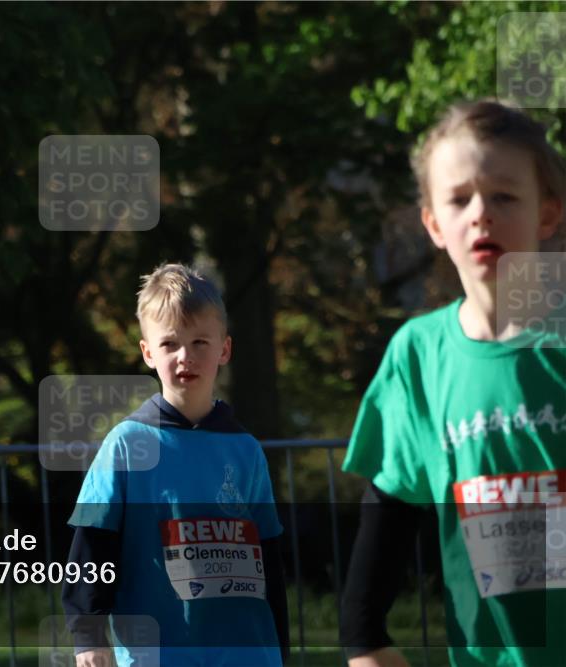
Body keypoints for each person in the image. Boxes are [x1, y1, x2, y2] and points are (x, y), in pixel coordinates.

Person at [339, 100, 566, 667]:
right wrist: (362, 642)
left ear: (548, 213)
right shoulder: (418, 357)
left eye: (505, 195)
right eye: (460, 199)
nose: (481, 213)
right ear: (434, 225)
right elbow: (388, 510)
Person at [62, 263, 289, 667]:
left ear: (225, 349)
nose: (186, 356)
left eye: (201, 341)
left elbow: (268, 561)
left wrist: (280, 652)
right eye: (170, 344)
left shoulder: (246, 450)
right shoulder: (126, 445)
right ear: (148, 353)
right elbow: (91, 551)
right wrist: (89, 638)